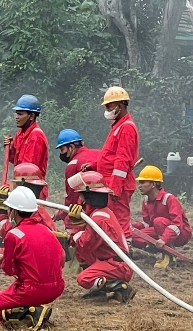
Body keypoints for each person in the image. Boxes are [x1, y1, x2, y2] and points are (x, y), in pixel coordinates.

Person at [0, 186, 65, 331]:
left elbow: (8, 269)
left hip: (31, 290)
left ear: (13, 212)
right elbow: (62, 258)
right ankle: (33, 309)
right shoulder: (46, 230)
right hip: (57, 287)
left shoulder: (13, 235)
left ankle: (31, 311)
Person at [67, 171, 135, 303]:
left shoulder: (99, 219)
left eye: (81, 194)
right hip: (111, 260)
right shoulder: (101, 213)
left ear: (89, 195)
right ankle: (101, 286)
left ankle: (120, 287)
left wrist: (76, 227)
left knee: (84, 279)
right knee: (83, 255)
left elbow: (84, 244)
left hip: (118, 265)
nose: (79, 199)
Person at [81, 86, 139, 240]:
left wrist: (115, 187)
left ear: (119, 106)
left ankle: (125, 253)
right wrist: (94, 164)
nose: (106, 110)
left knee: (120, 220)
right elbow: (110, 155)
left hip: (118, 184)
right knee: (112, 218)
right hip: (112, 183)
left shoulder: (126, 128)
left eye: (109, 106)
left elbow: (122, 160)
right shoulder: (118, 126)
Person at [0, 163, 56, 269]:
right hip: (45, 262)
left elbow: (6, 233)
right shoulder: (37, 210)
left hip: (37, 265)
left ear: (22, 185)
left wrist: (2, 210)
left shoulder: (27, 214)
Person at [131, 165, 192, 269]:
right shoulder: (145, 201)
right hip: (160, 231)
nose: (139, 186)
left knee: (158, 221)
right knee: (133, 236)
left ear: (153, 184)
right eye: (139, 182)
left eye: (143, 182)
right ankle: (158, 250)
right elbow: (147, 224)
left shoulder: (170, 199)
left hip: (181, 233)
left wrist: (164, 239)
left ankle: (169, 256)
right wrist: (131, 226)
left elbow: (177, 224)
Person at [54, 129, 100, 232]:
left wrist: (61, 213)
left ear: (71, 147)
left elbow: (73, 198)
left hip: (88, 206)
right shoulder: (98, 153)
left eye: (62, 150)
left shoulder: (73, 165)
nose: (62, 154)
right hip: (106, 204)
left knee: (71, 223)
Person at [4, 95, 49, 200]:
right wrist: (10, 150)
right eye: (16, 113)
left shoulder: (36, 136)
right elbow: (16, 161)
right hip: (21, 185)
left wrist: (10, 188)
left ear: (31, 116)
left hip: (32, 190)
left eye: (20, 114)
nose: (16, 117)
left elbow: (28, 172)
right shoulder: (20, 133)